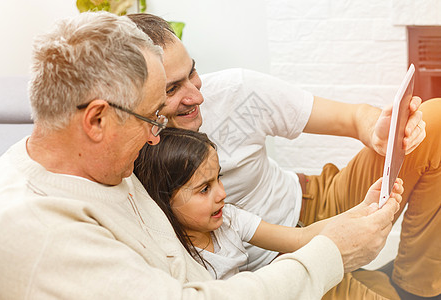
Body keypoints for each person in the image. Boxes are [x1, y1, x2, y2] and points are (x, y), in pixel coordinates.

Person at [0, 11, 402, 300]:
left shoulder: (101, 166)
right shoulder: (42, 232)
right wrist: (331, 252)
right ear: (97, 121)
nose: (158, 138)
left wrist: (340, 233)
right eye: (154, 116)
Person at [128, 13, 441, 299]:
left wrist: (378, 131)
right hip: (275, 266)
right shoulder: (128, 162)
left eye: (192, 72)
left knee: (435, 118)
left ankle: (416, 288)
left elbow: (354, 117)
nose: (197, 96)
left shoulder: (236, 91)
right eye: (171, 90)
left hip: (315, 198)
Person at [134, 127, 404, 280]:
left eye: (219, 179)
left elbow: (301, 237)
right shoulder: (172, 257)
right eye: (204, 189)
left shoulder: (229, 219)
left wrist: (363, 209)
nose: (221, 194)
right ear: (164, 200)